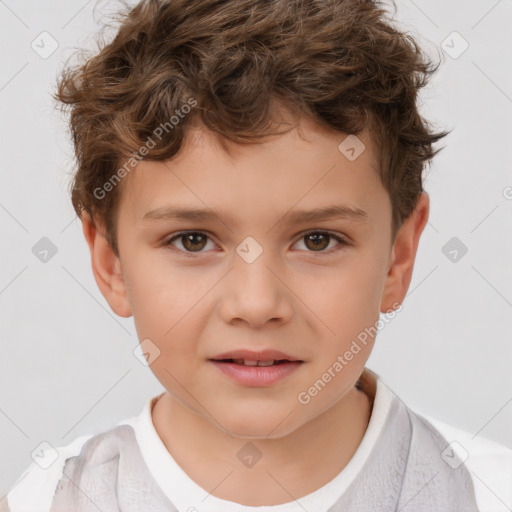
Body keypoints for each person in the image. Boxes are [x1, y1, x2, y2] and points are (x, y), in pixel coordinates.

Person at [3, 0, 511, 510]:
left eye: (317, 240)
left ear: (398, 258)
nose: (256, 303)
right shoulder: (46, 500)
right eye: (193, 240)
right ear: (111, 262)